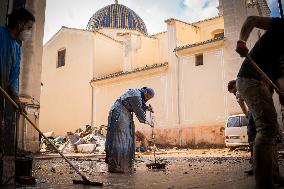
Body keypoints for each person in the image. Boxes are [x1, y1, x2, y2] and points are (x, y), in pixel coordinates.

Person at [235, 16, 284, 188]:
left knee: (271, 131)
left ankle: (274, 174)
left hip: (263, 83)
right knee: (268, 127)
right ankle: (264, 184)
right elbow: (252, 20)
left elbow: (279, 75)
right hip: (250, 78)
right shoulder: (281, 25)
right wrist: (242, 41)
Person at [0, 8, 35, 185]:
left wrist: (16, 101)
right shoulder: (0, 35)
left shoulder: (16, 47)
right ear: (20, 24)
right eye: (28, 27)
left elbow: (12, 79)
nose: (29, 32)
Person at [105, 87, 155, 173]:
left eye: (149, 99)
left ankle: (125, 165)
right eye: (147, 97)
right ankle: (118, 166)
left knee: (127, 138)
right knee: (120, 138)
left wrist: (147, 108)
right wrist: (150, 121)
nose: (147, 99)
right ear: (145, 92)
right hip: (119, 113)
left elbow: (140, 105)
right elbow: (140, 114)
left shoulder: (138, 94)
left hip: (124, 113)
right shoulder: (136, 96)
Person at [227, 80, 256, 175]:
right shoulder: (248, 84)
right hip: (260, 109)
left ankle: (255, 166)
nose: (234, 93)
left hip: (254, 111)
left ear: (235, 85)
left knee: (252, 138)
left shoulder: (239, 89)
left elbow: (241, 102)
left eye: (233, 91)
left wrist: (247, 115)